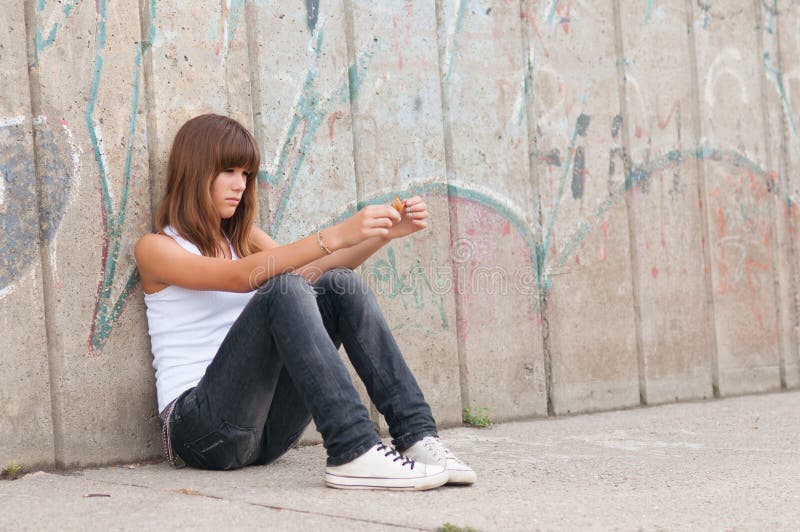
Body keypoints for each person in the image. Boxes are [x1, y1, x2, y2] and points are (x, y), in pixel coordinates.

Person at [134, 113, 476, 491]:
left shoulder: (245, 239)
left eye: (246, 174)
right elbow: (238, 277)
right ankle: (353, 449)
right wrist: (336, 233)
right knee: (282, 287)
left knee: (337, 285)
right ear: (195, 171)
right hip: (200, 431)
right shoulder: (156, 249)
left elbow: (313, 272)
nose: (240, 185)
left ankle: (416, 436)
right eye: (228, 171)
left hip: (263, 435)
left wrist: (381, 235)